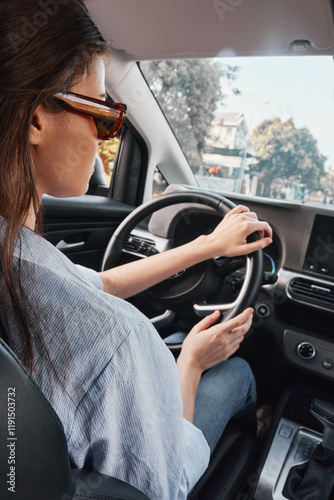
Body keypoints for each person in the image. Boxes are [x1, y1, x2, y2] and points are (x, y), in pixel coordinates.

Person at [0, 1, 273, 498]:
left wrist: (206, 246)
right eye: (104, 113)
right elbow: (163, 487)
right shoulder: (115, 341)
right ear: (37, 119)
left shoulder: (19, 260)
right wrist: (189, 363)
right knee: (236, 371)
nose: (111, 134)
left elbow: (97, 284)